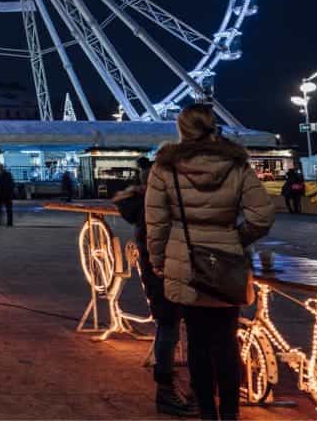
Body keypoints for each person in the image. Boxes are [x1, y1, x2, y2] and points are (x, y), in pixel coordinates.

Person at [146, 104, 274, 421]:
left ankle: (207, 413)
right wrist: (234, 239)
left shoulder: (165, 167)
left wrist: (159, 259)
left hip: (185, 263)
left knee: (197, 344)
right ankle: (230, 414)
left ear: (181, 128)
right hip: (227, 264)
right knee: (227, 343)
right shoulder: (236, 165)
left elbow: (156, 223)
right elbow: (262, 215)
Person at [114, 157, 196, 417]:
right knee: (176, 329)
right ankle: (171, 390)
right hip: (168, 272)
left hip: (157, 273)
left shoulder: (141, 204)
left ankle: (168, 388)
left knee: (168, 327)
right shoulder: (158, 206)